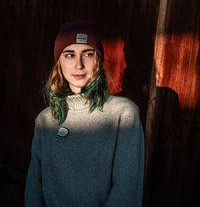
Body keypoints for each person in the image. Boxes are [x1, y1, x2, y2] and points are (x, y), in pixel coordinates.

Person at [24, 20, 145, 207]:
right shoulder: (45, 120)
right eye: (69, 55)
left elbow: (126, 191)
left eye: (87, 54)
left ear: (98, 60)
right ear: (59, 63)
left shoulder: (124, 114)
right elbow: (33, 189)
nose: (79, 65)